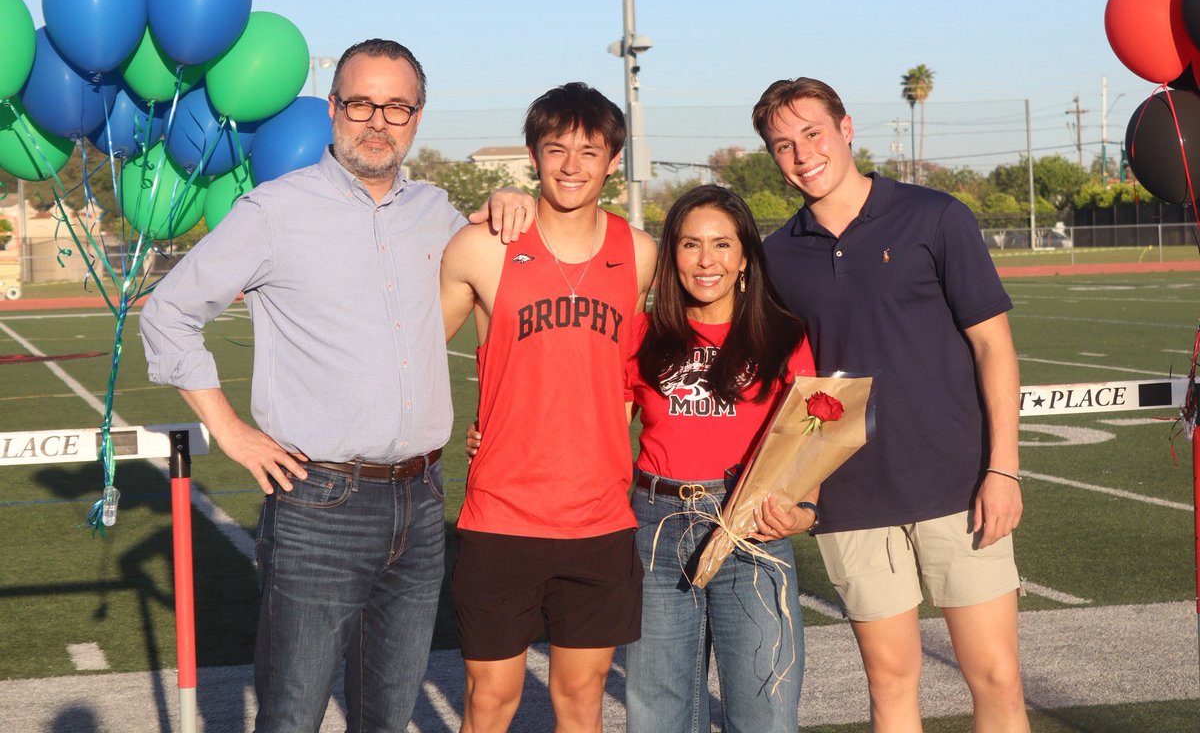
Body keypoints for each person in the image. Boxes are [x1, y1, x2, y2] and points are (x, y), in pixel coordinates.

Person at [139, 38, 532, 733]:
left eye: (397, 107)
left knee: (387, 716)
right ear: (333, 109)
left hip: (422, 499)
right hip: (318, 504)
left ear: (417, 116)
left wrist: (508, 197)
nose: (378, 121)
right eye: (360, 103)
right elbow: (169, 314)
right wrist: (230, 431)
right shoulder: (275, 210)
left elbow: (498, 265)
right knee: (291, 716)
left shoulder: (436, 213)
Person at [753, 77, 1028, 732]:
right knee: (890, 687)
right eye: (783, 146)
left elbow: (994, 347)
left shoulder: (936, 217)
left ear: (846, 130)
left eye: (812, 134)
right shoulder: (778, 254)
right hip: (850, 498)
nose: (802, 155)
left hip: (959, 484)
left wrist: (1005, 469)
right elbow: (778, 379)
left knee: (996, 677)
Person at [440, 82, 657, 733]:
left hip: (598, 520)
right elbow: (410, 360)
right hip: (503, 516)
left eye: (588, 151)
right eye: (556, 149)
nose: (571, 165)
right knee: (489, 701)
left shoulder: (641, 254)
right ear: (533, 154)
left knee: (582, 702)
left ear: (613, 160)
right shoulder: (482, 247)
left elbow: (631, 377)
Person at [623, 184, 817, 733]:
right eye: (690, 244)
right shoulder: (643, 332)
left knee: (766, 707)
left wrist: (802, 512)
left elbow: (811, 442)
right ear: (672, 256)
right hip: (657, 527)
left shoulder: (783, 335)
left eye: (722, 245)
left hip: (750, 525)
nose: (706, 260)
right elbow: (610, 435)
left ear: (745, 258)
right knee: (658, 712)